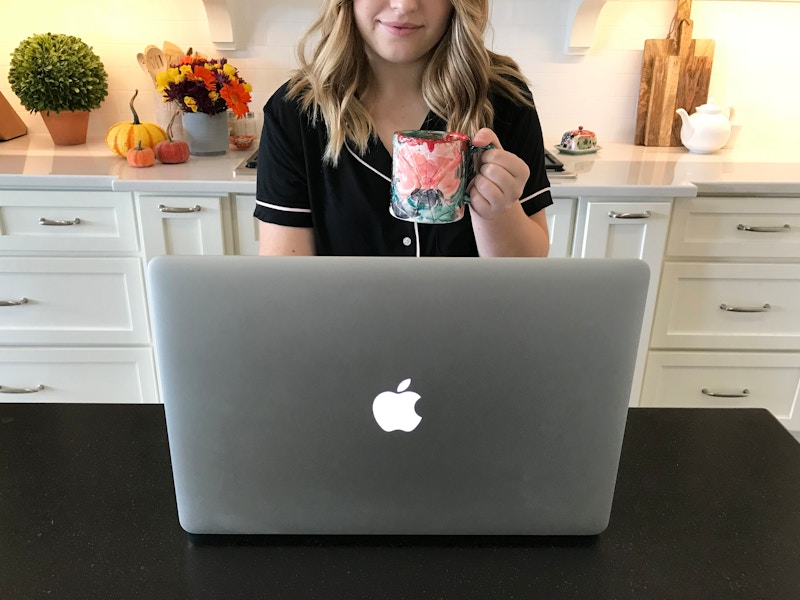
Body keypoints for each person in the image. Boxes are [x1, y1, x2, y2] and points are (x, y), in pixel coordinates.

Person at [255, 0, 552, 257]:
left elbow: (528, 268)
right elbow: (288, 281)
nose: (405, 5)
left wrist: (499, 213)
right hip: (345, 323)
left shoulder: (504, 98)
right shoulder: (294, 111)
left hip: (471, 322)